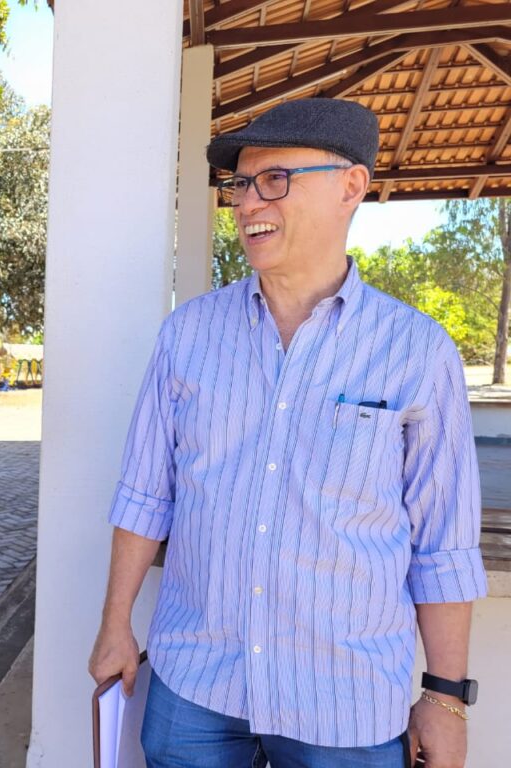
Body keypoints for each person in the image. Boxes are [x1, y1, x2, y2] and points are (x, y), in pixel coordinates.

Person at [89, 98, 486, 768]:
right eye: (240, 184)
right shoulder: (187, 335)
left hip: (345, 701)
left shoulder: (417, 352)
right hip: (195, 682)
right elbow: (146, 494)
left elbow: (441, 541)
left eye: (274, 179)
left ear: (351, 186)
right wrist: (114, 623)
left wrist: (445, 698)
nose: (247, 203)